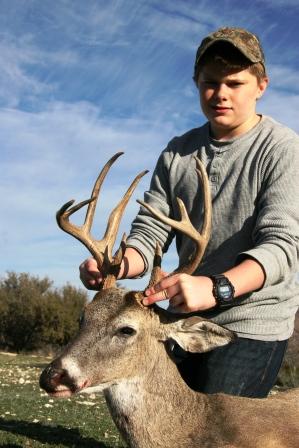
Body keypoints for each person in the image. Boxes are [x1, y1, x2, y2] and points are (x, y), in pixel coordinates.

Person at [80, 27, 299, 398]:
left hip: (250, 321)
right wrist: (118, 266)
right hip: (183, 315)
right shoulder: (177, 152)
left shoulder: (282, 150)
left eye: (235, 83)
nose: (221, 94)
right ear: (196, 83)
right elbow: (149, 232)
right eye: (210, 83)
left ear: (261, 85)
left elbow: (282, 247)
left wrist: (217, 287)